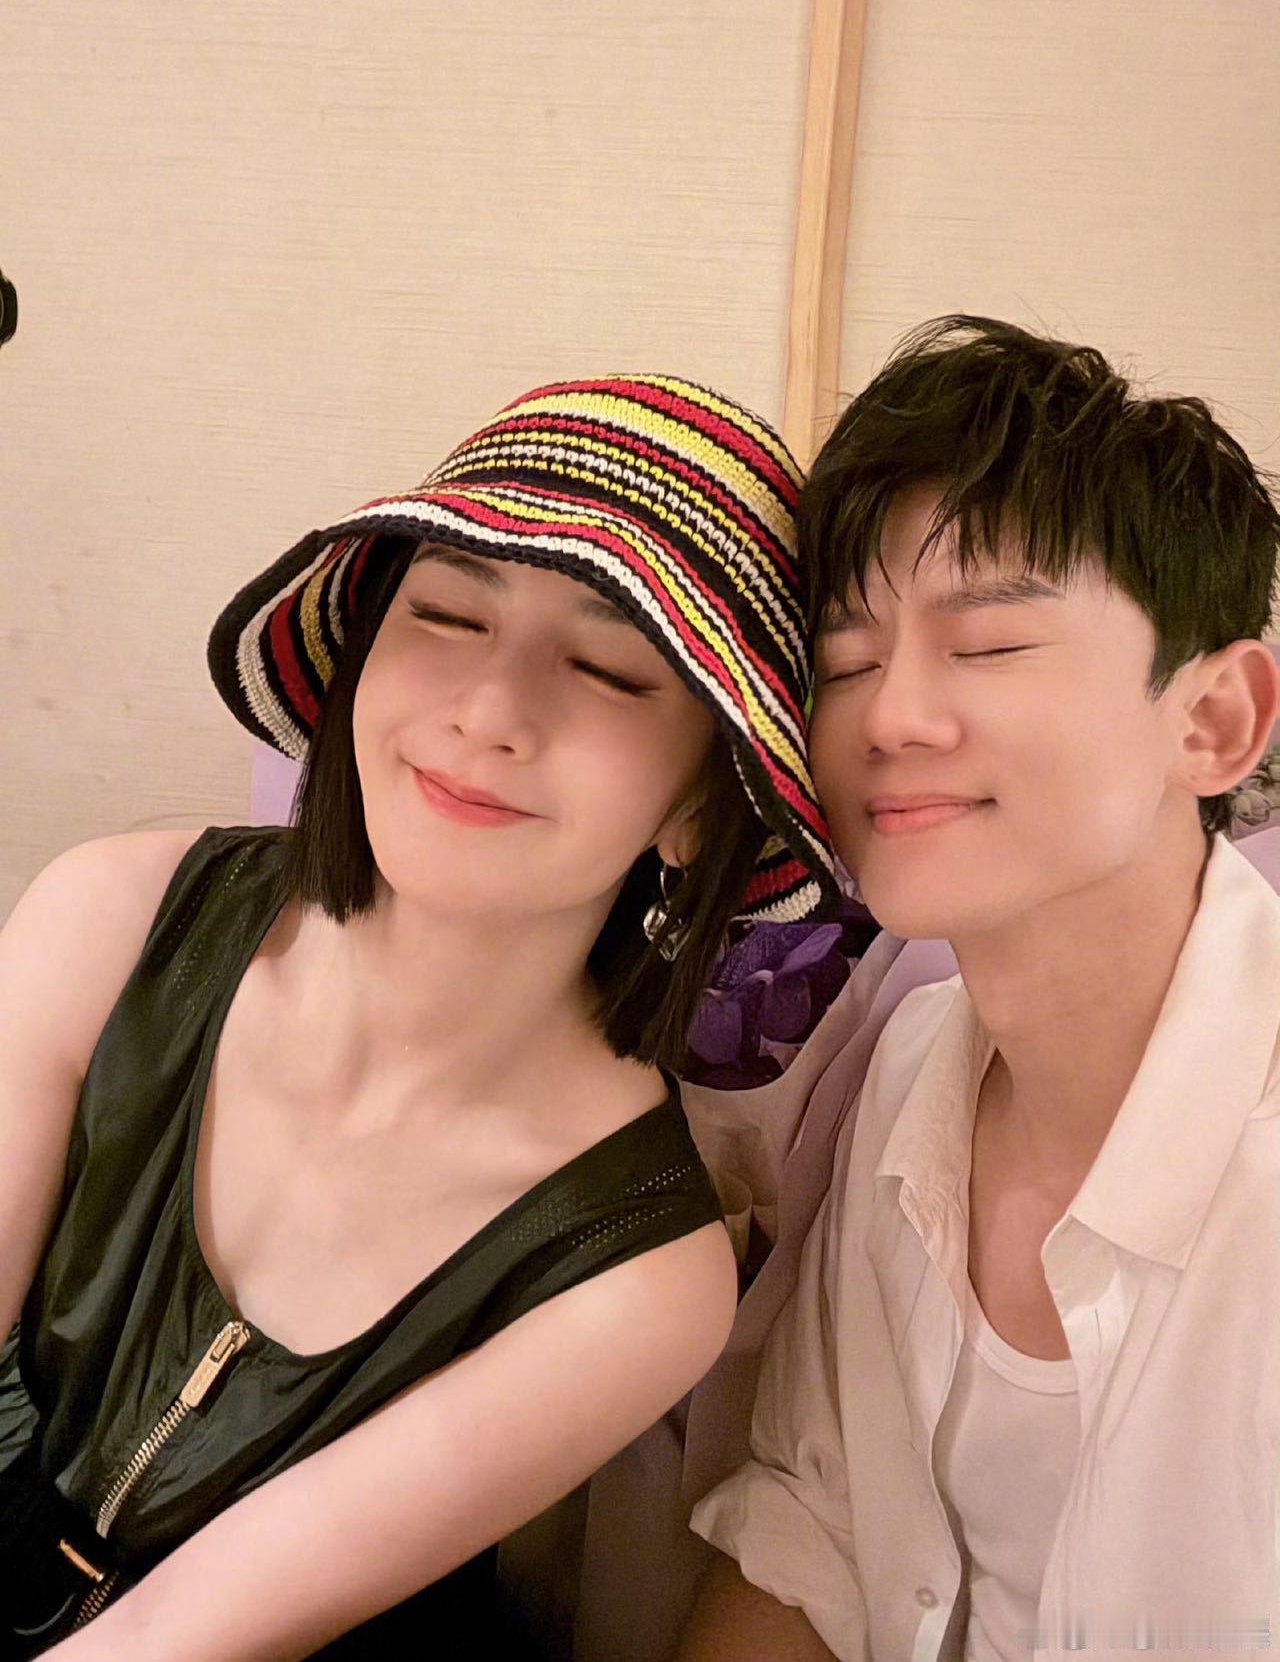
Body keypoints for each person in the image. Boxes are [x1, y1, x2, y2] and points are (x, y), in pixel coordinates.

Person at [0, 374, 839, 1660]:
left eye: (609, 670)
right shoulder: (108, 919)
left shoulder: (641, 1278)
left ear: (699, 804)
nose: (486, 714)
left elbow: (183, 1633)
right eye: (446, 613)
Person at [679, 318, 1280, 1661]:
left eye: (990, 644)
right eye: (845, 663)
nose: (889, 718)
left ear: (1213, 722)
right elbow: (812, 1531)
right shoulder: (912, 1065)